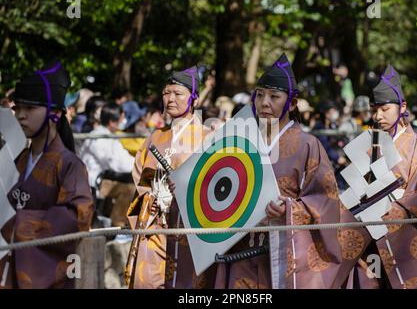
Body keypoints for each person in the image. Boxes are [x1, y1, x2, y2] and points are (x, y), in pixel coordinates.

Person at [213, 53, 369, 289]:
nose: (264, 103)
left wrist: (290, 209)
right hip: (239, 245)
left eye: (274, 96)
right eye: (260, 95)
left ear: (292, 103)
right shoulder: (238, 142)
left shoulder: (308, 144)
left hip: (285, 250)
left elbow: (325, 200)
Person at [346, 65, 417, 289]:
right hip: (369, 232)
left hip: (403, 233)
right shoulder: (370, 143)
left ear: (402, 107)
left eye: (385, 109)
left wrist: (395, 210)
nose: (378, 115)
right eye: (375, 109)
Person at [0, 61, 94, 289]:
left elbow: (78, 216)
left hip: (49, 273)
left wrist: (19, 223)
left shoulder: (69, 164)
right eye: (17, 108)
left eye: (29, 109)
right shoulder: (19, 159)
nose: (20, 116)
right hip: (12, 266)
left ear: (55, 113)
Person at [125, 66, 213, 289]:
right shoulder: (155, 137)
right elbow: (139, 178)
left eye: (178, 93)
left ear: (193, 98)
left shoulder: (207, 138)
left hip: (190, 232)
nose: (170, 99)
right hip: (155, 225)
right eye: (166, 93)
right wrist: (151, 200)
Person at [79, 103, 135, 228]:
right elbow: (116, 163)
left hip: (103, 177)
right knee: (130, 188)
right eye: (121, 119)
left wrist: (140, 164)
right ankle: (118, 225)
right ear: (112, 122)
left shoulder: (109, 135)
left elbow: (123, 157)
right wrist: (138, 166)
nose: (123, 121)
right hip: (92, 181)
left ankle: (114, 221)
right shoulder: (100, 137)